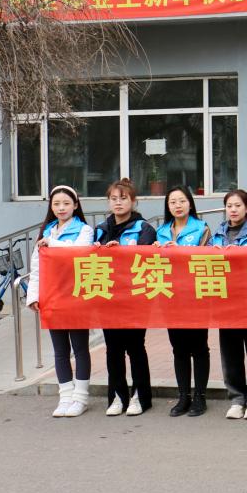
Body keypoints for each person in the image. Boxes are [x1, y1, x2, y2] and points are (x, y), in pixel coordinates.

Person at [25, 185, 94, 417]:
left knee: (80, 348)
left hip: (76, 297)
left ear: (75, 205)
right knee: (60, 350)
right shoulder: (47, 232)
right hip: (53, 297)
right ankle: (65, 397)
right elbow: (36, 268)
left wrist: (52, 244)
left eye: (66, 203)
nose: (61, 208)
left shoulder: (84, 230)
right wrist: (34, 296)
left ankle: (80, 397)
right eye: (56, 204)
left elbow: (79, 252)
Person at [95, 178, 157, 416]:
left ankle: (140, 396)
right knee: (113, 349)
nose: (118, 203)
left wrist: (119, 253)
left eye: (123, 198)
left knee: (135, 347)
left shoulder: (144, 229)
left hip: (134, 299)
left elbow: (144, 260)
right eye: (113, 199)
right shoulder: (100, 229)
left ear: (133, 201)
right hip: (107, 297)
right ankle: (117, 397)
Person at [156, 186, 213, 417]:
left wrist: (179, 251)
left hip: (196, 295)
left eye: (182, 201)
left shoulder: (202, 228)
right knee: (178, 348)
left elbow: (209, 258)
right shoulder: (161, 232)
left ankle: (200, 396)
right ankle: (183, 396)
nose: (177, 205)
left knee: (199, 347)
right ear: (168, 206)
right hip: (171, 296)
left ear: (190, 204)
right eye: (173, 202)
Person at [213, 189, 247, 420]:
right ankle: (236, 398)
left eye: (238, 206)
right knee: (230, 352)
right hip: (225, 301)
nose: (233, 210)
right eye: (229, 206)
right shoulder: (217, 235)